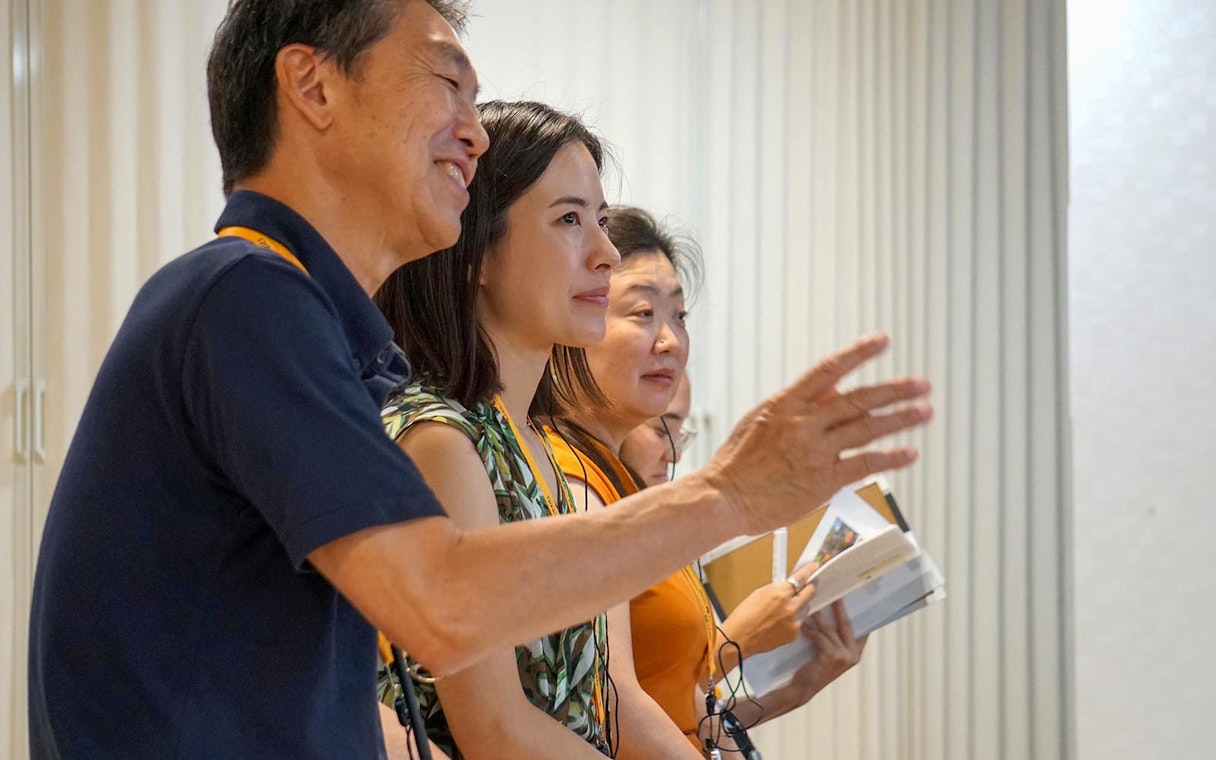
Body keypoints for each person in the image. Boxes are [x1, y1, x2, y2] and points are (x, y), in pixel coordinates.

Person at [27, 1, 933, 757]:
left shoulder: (308, 326)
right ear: (311, 85)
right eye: (447, 84)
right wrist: (730, 494)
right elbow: (444, 608)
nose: (472, 131)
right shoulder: (248, 295)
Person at [545, 207, 865, 756]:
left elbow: (678, 707)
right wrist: (732, 643)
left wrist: (796, 689)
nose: (670, 340)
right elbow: (616, 707)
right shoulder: (567, 478)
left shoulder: (616, 482)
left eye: (681, 315)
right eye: (643, 312)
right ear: (578, 317)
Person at [375, 99, 620, 758]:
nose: (607, 254)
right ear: (475, 250)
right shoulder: (441, 443)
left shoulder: (540, 442)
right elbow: (495, 731)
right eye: (570, 220)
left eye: (602, 221)